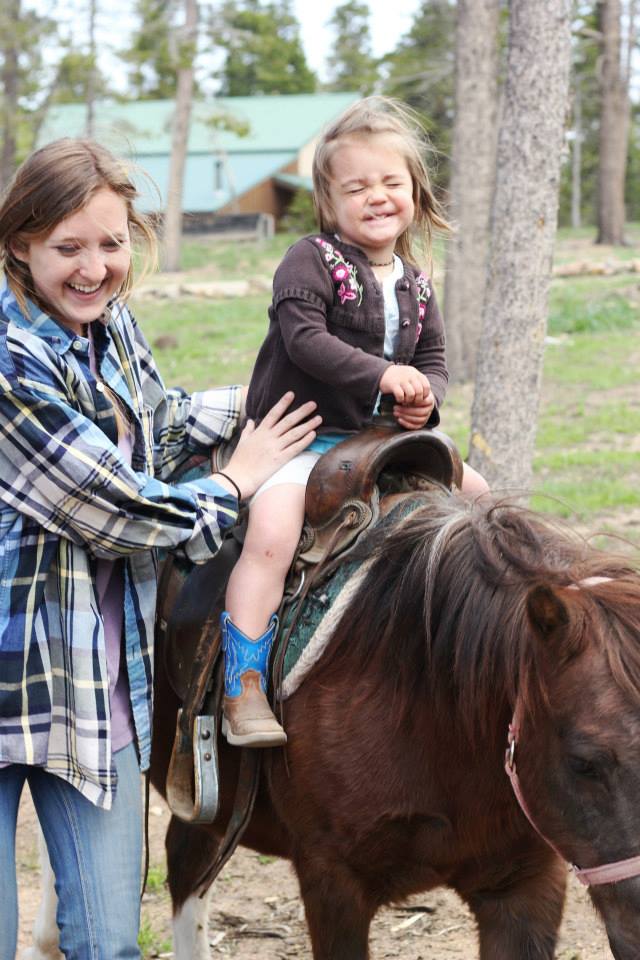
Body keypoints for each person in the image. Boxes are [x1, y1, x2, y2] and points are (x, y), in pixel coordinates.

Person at [0, 138, 321, 960]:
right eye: (68, 247)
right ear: (19, 244)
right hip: (9, 678)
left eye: (111, 244)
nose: (93, 268)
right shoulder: (8, 358)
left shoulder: (111, 327)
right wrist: (238, 482)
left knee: (109, 944)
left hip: (86, 686)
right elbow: (110, 506)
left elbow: (161, 421)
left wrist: (296, 391)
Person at [220, 96, 489, 750]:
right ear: (328, 200)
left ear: (415, 193)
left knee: (484, 501)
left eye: (391, 182)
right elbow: (305, 338)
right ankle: (243, 683)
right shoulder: (309, 261)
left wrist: (426, 399)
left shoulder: (417, 284)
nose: (377, 196)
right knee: (272, 537)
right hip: (301, 437)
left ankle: (499, 637)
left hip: (385, 443)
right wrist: (378, 374)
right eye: (357, 186)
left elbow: (432, 361)